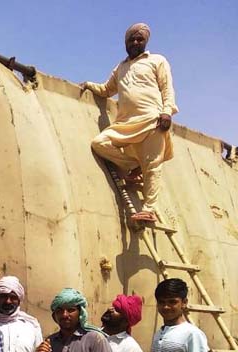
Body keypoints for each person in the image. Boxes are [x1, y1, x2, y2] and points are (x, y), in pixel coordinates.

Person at [82, 23, 177, 222]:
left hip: (153, 119)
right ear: (125, 43)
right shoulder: (120, 67)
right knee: (100, 143)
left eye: (139, 39)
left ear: (145, 41)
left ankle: (149, 209)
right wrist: (89, 85)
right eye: (131, 39)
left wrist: (167, 112)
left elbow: (167, 89)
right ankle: (133, 166)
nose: (135, 42)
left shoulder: (157, 60)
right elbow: (107, 90)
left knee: (152, 165)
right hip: (125, 123)